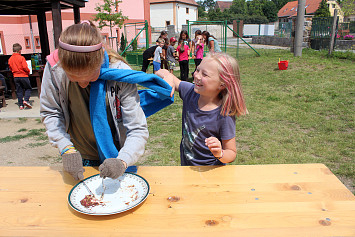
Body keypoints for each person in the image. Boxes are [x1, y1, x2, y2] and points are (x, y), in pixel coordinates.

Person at [40, 21, 173, 181]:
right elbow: (51, 113)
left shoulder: (120, 73)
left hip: (117, 156)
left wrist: (121, 161)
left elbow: (137, 129)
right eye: (74, 79)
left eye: (90, 78)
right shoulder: (55, 69)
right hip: (78, 156)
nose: (82, 84)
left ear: (99, 62)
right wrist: (66, 148)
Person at [156, 53, 248, 166]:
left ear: (222, 84)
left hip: (211, 173)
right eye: (197, 70)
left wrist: (220, 153)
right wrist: (169, 77)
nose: (196, 76)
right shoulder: (190, 92)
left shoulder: (224, 114)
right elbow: (159, 72)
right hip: (186, 168)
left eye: (204, 74)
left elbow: (231, 153)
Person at [8, 43, 32, 110]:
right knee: (28, 88)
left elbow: (10, 67)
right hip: (23, 75)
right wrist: (28, 71)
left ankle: (21, 105)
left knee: (19, 90)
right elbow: (25, 67)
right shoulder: (21, 58)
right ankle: (26, 100)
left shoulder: (10, 59)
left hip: (15, 76)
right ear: (19, 50)